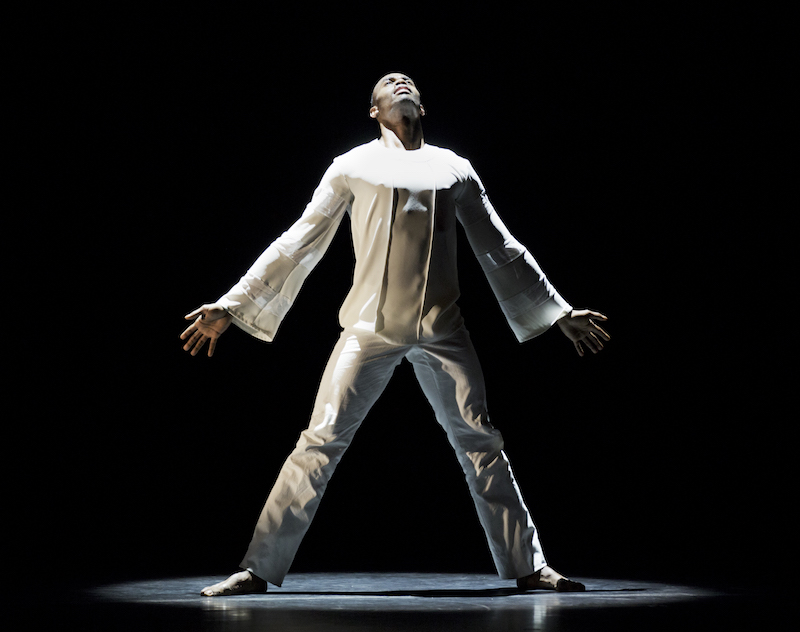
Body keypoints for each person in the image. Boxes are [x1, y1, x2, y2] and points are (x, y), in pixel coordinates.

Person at [181, 72, 610, 597]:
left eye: (407, 81)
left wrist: (557, 312)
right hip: (367, 330)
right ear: (373, 110)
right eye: (388, 82)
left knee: (480, 440)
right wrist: (233, 304)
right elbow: (298, 242)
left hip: (442, 328)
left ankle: (530, 565)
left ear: (422, 105)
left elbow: (499, 245)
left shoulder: (455, 168)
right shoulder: (352, 166)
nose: (399, 82)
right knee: (320, 440)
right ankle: (257, 567)